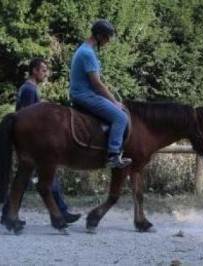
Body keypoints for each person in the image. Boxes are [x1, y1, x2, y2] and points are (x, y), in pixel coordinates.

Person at [0, 58, 81, 225]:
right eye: (43, 70)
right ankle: (61, 212)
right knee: (44, 177)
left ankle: (8, 213)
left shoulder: (28, 88)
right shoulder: (30, 90)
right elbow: (29, 117)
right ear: (34, 71)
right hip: (33, 141)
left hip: (30, 140)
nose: (46, 73)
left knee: (24, 177)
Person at [69, 19, 131, 168]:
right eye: (107, 38)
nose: (108, 41)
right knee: (121, 117)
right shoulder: (87, 54)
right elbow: (97, 84)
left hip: (83, 93)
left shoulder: (85, 50)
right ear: (99, 36)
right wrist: (114, 102)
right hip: (84, 95)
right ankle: (113, 155)